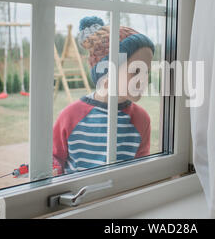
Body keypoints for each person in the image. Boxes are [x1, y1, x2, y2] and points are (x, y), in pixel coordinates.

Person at [53, 16, 154, 175]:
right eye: (136, 71)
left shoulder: (141, 119)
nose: (145, 79)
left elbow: (140, 171)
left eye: (146, 71)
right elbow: (55, 159)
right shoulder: (70, 116)